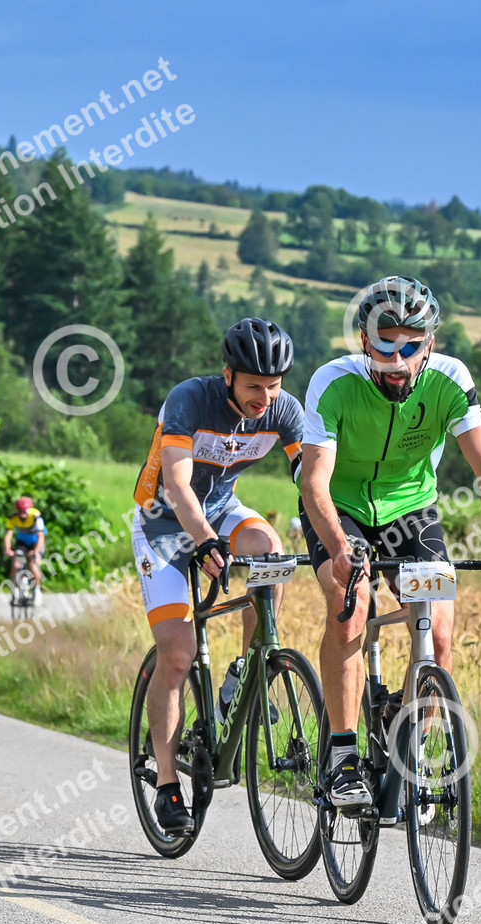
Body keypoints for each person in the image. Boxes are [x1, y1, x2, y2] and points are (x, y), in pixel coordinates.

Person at [298, 276, 481, 812]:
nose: (397, 361)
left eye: (411, 347)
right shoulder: (332, 382)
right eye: (385, 346)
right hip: (340, 507)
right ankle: (343, 756)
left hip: (409, 511)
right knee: (350, 608)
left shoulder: (450, 379)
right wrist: (339, 547)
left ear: (431, 343)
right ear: (364, 340)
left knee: (439, 637)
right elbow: (314, 483)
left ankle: (410, 753)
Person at [130, 317, 302, 837]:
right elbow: (178, 486)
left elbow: (313, 479)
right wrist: (204, 541)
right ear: (227, 375)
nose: (264, 398)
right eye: (253, 387)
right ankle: (166, 783)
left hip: (222, 510)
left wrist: (335, 536)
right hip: (162, 524)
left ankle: (245, 673)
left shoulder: (284, 411)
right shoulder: (190, 399)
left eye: (273, 386)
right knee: (178, 653)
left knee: (270, 551)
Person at [2, 496, 45, 598]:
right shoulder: (12, 518)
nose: (23, 514)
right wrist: (7, 549)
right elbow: (8, 535)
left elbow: (41, 536)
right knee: (16, 564)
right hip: (22, 543)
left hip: (35, 543)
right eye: (20, 511)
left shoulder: (36, 516)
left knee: (33, 565)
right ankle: (16, 589)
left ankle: (36, 589)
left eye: (25, 511)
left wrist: (36, 551)